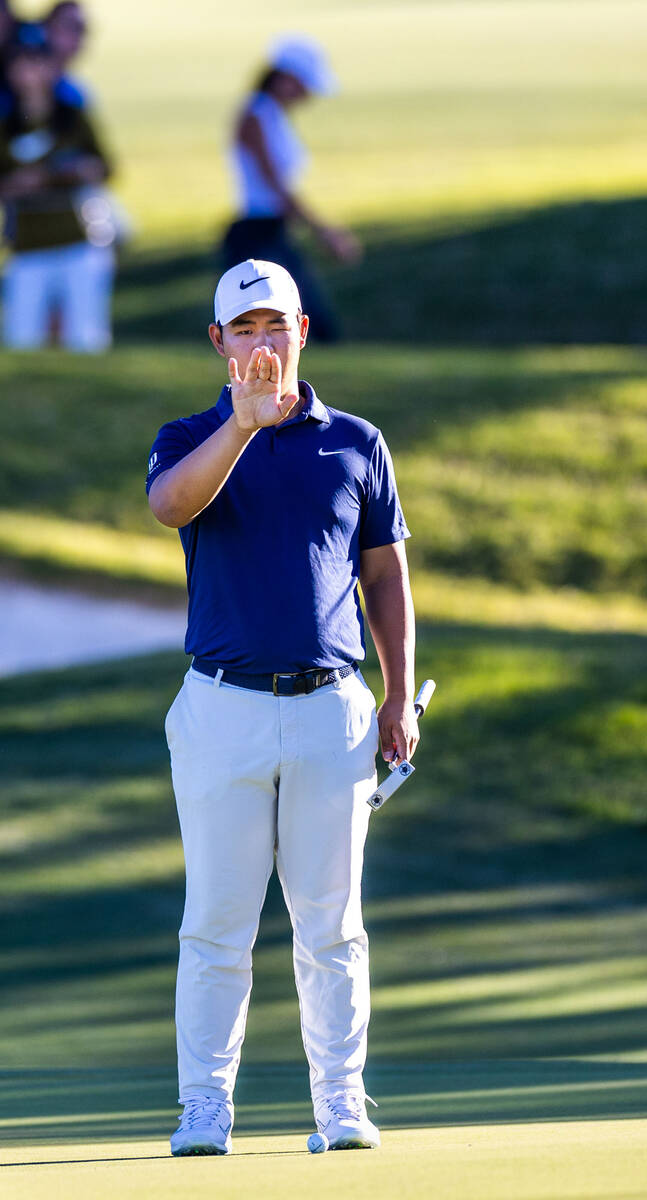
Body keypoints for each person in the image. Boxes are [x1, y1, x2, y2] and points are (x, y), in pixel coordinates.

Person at [146, 258, 418, 1156]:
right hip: (221, 707)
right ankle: (205, 1107)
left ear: (302, 333)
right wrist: (241, 427)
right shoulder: (189, 434)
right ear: (219, 342)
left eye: (278, 326)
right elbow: (168, 506)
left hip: (328, 708)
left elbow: (384, 575)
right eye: (245, 328)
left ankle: (341, 1104)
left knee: (332, 926)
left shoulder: (356, 442)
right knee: (217, 923)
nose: (263, 343)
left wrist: (394, 694)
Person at [222, 36, 361, 343]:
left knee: (307, 323)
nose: (308, 94)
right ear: (284, 78)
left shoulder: (271, 115)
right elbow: (275, 186)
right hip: (256, 233)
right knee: (290, 325)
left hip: (272, 230)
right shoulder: (256, 115)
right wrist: (323, 231)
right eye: (304, 84)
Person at [0, 28, 114, 350]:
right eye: (22, 63)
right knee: (22, 338)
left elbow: (105, 166)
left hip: (77, 238)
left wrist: (68, 173)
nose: (31, 72)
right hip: (26, 243)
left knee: (86, 338)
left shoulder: (73, 118)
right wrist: (18, 184)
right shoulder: (7, 125)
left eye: (39, 62)